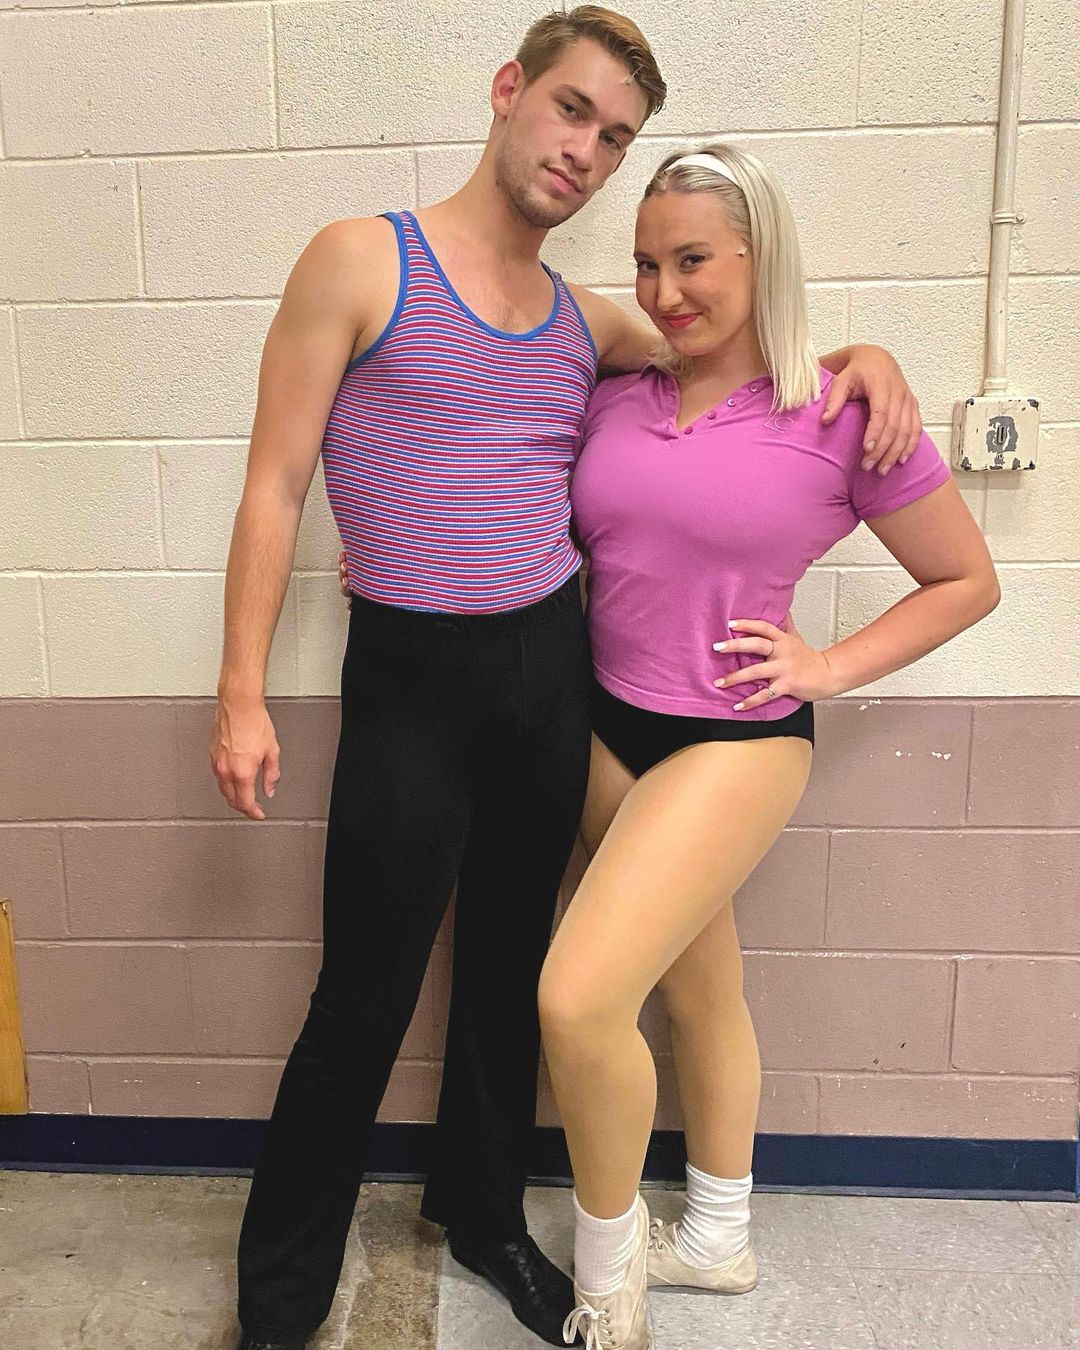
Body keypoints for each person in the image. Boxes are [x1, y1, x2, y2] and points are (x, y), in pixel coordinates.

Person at [211, 8, 923, 1349]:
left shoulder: (589, 321)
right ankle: (281, 1299)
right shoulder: (362, 258)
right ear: (510, 90)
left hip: (550, 668)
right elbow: (274, 482)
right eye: (572, 110)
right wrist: (241, 690)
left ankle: (482, 1217)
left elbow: (747, 356)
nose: (585, 151)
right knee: (361, 994)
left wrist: (860, 359)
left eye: (615, 136)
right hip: (411, 674)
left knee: (507, 973)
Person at [529, 142, 1001, 1350]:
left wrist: (828, 665)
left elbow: (966, 580)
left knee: (578, 1001)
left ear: (759, 256)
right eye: (648, 264)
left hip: (735, 740)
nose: (665, 290)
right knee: (702, 988)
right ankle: (718, 1239)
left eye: (693, 260)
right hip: (606, 724)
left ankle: (608, 1282)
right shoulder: (618, 391)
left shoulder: (841, 414)